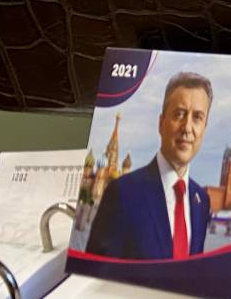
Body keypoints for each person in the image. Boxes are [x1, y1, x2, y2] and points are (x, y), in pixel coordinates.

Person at [85, 73, 213, 259]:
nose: (187, 128)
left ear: (204, 130)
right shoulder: (122, 193)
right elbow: (96, 271)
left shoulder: (201, 201)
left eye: (197, 118)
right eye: (179, 114)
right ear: (161, 123)